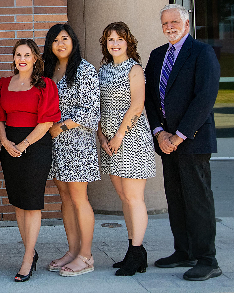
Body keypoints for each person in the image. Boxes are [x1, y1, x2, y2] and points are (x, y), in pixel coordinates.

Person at [144, 4, 221, 281]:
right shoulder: (157, 56)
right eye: (165, 23)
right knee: (175, 198)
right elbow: (150, 100)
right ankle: (184, 251)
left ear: (186, 24)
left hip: (193, 141)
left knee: (197, 199)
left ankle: (207, 259)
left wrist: (179, 135)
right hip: (166, 142)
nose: (170, 27)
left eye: (175, 22)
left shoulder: (202, 53)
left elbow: (205, 98)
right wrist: (159, 133)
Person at [0, 39, 60, 282]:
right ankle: (30, 252)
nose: (22, 59)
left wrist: (23, 144)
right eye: (18, 54)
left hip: (35, 145)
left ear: (35, 59)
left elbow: (46, 122)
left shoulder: (46, 85)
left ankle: (27, 257)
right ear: (14, 58)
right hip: (9, 144)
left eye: (27, 54)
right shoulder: (3, 84)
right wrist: (5, 141)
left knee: (31, 202)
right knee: (18, 202)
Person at [98, 21, 157, 277]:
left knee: (134, 198)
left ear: (128, 41)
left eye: (119, 39)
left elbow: (137, 105)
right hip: (109, 141)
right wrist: (101, 134)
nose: (115, 43)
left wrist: (119, 134)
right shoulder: (103, 70)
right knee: (124, 197)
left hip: (131, 139)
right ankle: (134, 251)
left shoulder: (134, 69)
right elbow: (97, 104)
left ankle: (137, 251)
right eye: (110, 39)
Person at [42, 24, 100, 277]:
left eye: (65, 39)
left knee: (79, 198)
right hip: (55, 144)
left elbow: (91, 110)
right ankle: (73, 250)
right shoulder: (49, 70)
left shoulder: (85, 70)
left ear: (73, 42)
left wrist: (62, 126)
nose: (60, 44)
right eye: (55, 40)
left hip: (77, 143)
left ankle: (86, 256)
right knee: (65, 197)